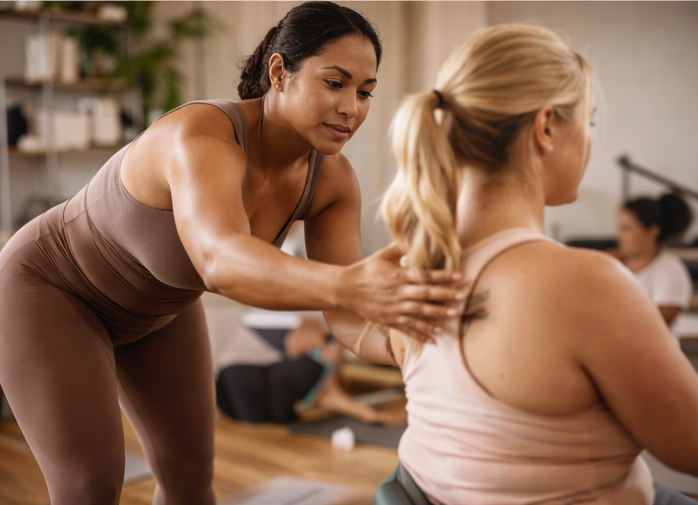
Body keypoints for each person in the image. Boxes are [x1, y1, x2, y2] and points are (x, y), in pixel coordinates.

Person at [0, 3, 462, 505]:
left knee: (191, 479)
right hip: (52, 289)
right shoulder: (203, 136)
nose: (352, 107)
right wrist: (350, 283)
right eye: (335, 83)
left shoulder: (331, 179)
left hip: (160, 309)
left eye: (365, 91)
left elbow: (348, 316)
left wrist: (415, 345)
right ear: (280, 72)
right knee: (89, 487)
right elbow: (220, 262)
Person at [374, 24, 698, 505]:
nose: (591, 143)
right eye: (589, 123)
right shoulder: (583, 285)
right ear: (547, 126)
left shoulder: (411, 272)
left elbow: (680, 398)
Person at [215, 313, 402, 426]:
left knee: (314, 371)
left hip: (241, 407)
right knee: (312, 366)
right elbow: (297, 348)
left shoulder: (330, 346)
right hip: (234, 383)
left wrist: (370, 415)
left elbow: (328, 392)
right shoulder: (310, 321)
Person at [615, 194, 694, 327]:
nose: (618, 236)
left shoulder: (671, 271)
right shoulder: (613, 263)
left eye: (627, 229)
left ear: (653, 231)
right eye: (620, 228)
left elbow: (656, 325)